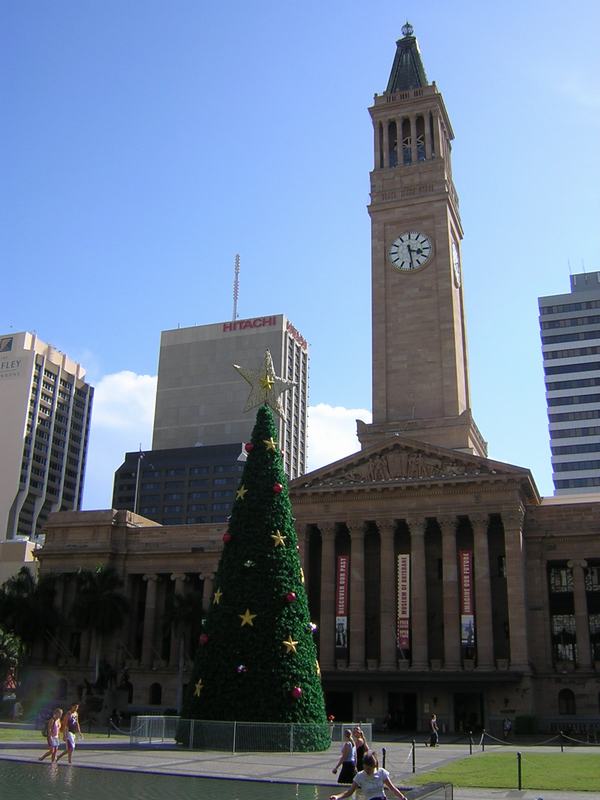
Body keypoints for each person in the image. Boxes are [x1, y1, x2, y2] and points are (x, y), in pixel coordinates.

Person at [329, 751, 408, 800]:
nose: (367, 771)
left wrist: (402, 798)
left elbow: (392, 788)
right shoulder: (360, 776)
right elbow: (350, 792)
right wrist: (337, 797)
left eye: (370, 769)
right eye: (366, 768)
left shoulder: (381, 772)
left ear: (375, 766)